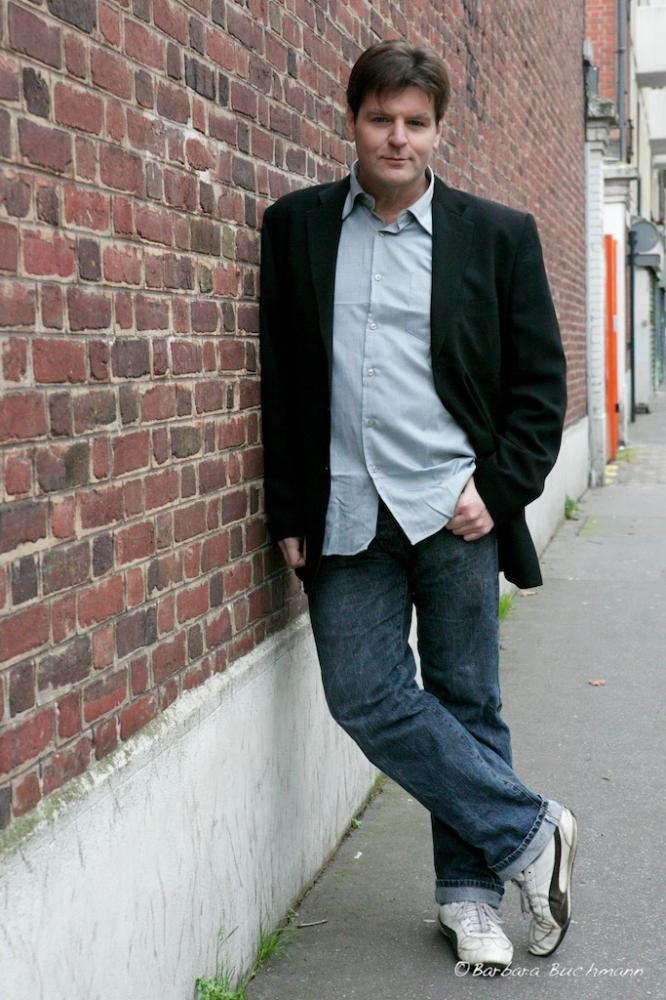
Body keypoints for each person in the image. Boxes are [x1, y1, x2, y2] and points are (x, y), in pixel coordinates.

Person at [259, 39, 576, 972]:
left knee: (467, 698)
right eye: (380, 119)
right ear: (352, 121)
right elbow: (281, 379)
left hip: (452, 508)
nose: (397, 137)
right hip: (345, 510)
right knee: (364, 694)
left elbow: (539, 389)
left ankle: (470, 901)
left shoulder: (497, 235)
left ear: (438, 131)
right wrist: (288, 506)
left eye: (415, 122)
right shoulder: (298, 228)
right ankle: (534, 832)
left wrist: (500, 490)